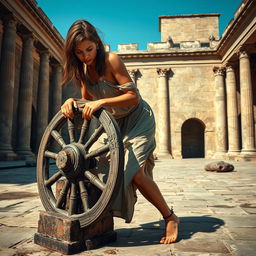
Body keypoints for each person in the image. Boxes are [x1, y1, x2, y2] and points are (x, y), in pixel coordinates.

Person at [61, 19, 179, 244]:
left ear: (97, 43)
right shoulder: (84, 71)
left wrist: (102, 101)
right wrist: (70, 101)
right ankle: (94, 219)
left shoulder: (112, 61)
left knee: (134, 172)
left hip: (138, 119)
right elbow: (86, 102)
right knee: (89, 162)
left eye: (89, 49)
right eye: (79, 52)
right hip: (114, 123)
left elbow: (134, 96)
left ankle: (170, 217)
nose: (85, 56)